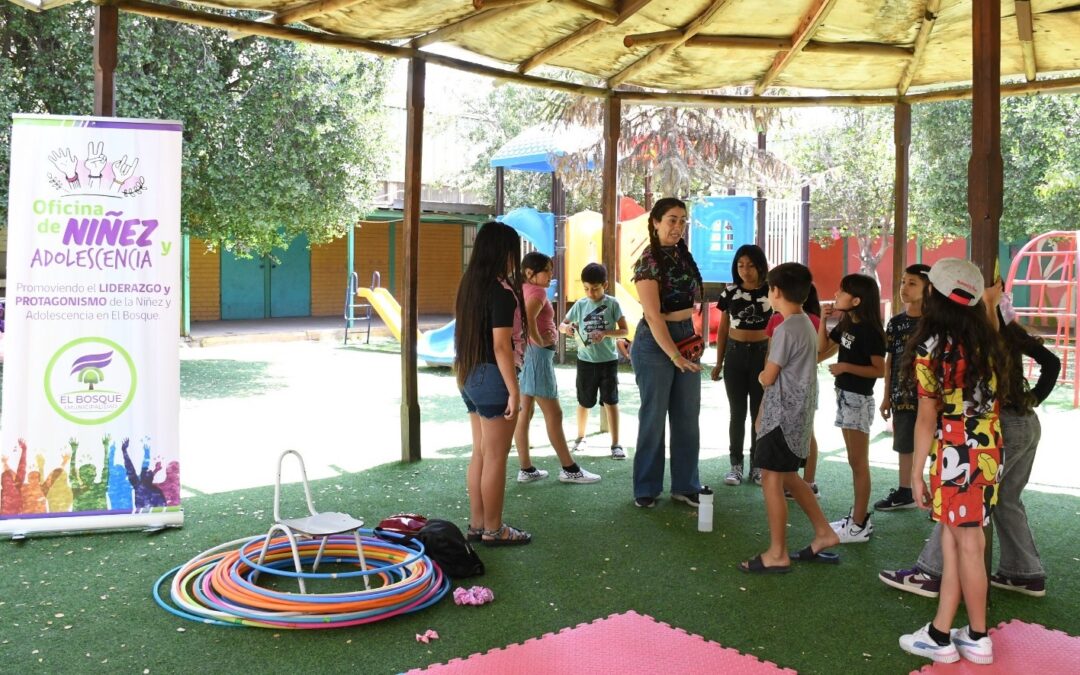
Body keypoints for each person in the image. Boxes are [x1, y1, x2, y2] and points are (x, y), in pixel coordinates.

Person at [880, 272, 1060, 600]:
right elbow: (1050, 362)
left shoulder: (973, 336)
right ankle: (1025, 573)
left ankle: (931, 573)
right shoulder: (991, 330)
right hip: (1023, 423)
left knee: (960, 505)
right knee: (1004, 500)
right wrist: (1028, 401)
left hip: (993, 427)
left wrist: (1027, 399)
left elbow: (927, 413)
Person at [897, 258, 1008, 665]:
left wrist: (915, 471)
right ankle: (965, 634)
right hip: (989, 450)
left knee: (965, 543)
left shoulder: (932, 346)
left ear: (935, 296)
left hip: (955, 452)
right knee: (962, 537)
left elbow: (928, 416)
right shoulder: (989, 340)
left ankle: (951, 634)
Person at [739, 263, 839, 573]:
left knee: (771, 478)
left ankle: (777, 552)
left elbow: (769, 376)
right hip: (797, 414)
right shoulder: (807, 324)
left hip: (781, 416)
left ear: (776, 291)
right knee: (790, 477)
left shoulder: (784, 328)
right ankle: (824, 532)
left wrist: (759, 375)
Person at [455, 221, 531, 546]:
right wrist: (514, 390)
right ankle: (494, 529)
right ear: (502, 252)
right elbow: (501, 345)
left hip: (469, 374)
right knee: (497, 455)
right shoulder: (501, 292)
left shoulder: (470, 285)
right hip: (492, 377)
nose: (514, 260)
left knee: (480, 453)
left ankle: (476, 524)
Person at [630, 198, 705, 509]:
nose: (677, 226)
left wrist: (692, 340)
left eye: (682, 221)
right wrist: (675, 355)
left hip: (686, 336)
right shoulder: (647, 261)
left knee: (688, 415)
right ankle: (646, 487)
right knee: (654, 415)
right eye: (672, 220)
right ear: (656, 222)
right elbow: (653, 315)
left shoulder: (682, 256)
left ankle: (686, 485)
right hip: (655, 343)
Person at [513, 252, 601, 485]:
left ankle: (526, 468)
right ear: (530, 273)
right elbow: (529, 319)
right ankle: (570, 469)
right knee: (554, 413)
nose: (551, 275)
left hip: (528, 355)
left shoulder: (524, 288)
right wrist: (539, 341)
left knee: (526, 412)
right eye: (547, 270)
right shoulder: (538, 292)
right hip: (537, 356)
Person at [818, 273, 886, 543]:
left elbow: (878, 370)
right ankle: (856, 518)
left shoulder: (869, 330)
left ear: (857, 300)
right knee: (853, 460)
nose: (836, 294)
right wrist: (823, 319)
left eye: (842, 291)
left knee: (859, 463)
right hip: (844, 396)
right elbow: (823, 346)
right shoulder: (847, 322)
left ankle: (859, 524)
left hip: (858, 399)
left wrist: (845, 367)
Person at [711, 244, 772, 487]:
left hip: (763, 356)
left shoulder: (771, 291)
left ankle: (757, 466)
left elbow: (778, 327)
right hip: (735, 356)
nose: (745, 271)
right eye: (740, 265)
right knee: (737, 413)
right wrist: (718, 362)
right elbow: (724, 328)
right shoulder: (729, 293)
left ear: (760, 266)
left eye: (750, 265)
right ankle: (735, 465)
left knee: (759, 413)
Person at [875, 264, 931, 511]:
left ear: (928, 288)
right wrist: (887, 396)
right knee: (904, 442)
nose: (904, 288)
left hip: (931, 395)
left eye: (912, 283)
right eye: (902, 282)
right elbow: (890, 362)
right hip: (902, 393)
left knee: (935, 444)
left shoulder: (936, 323)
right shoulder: (895, 323)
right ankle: (905, 492)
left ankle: (937, 495)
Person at [561, 262, 629, 460]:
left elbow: (624, 331)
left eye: (595, 289)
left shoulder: (613, 303)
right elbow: (561, 325)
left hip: (608, 362)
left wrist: (606, 333)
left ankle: (616, 444)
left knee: (611, 401)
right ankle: (580, 438)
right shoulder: (580, 304)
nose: (590, 293)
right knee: (584, 401)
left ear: (605, 285)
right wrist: (567, 329)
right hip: (585, 362)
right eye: (587, 289)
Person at [767, 284, 823, 499]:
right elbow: (771, 353)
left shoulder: (807, 322)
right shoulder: (778, 321)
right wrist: (767, 377)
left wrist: (766, 376)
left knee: (806, 432)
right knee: (782, 436)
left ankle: (808, 481)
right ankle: (789, 481)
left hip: (799, 388)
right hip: (780, 388)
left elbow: (820, 350)